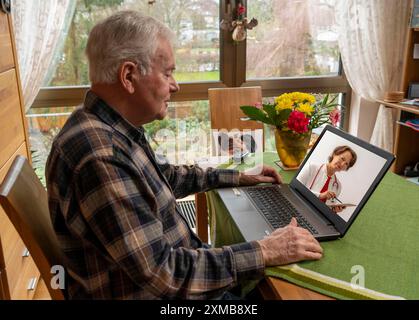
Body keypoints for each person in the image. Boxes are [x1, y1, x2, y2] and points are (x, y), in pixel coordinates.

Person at [46, 10, 323, 300]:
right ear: (128, 76)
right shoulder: (101, 156)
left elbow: (164, 177)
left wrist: (237, 176)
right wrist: (265, 250)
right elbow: (164, 273)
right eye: (167, 73)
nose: (175, 85)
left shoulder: (109, 128)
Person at [298, 145, 357, 213]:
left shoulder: (338, 186)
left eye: (346, 164)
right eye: (342, 159)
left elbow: (326, 210)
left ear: (346, 168)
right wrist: (320, 195)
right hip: (299, 207)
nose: (342, 164)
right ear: (334, 154)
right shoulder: (311, 167)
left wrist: (333, 211)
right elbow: (295, 188)